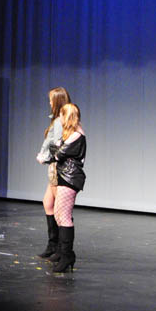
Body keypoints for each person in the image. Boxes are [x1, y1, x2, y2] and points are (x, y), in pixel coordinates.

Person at [49, 103, 86, 273]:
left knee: (63, 216)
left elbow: (58, 153)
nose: (60, 119)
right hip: (64, 175)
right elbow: (55, 150)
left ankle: (67, 255)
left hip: (70, 177)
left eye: (63, 116)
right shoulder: (71, 134)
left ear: (67, 116)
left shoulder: (77, 135)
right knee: (58, 214)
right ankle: (62, 253)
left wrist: (56, 149)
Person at [35, 87, 72, 260]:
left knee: (59, 209)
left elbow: (57, 144)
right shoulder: (56, 120)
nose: (49, 103)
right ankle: (53, 244)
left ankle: (61, 250)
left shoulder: (59, 122)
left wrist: (44, 157)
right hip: (53, 167)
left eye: (51, 100)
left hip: (57, 167)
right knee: (48, 203)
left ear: (57, 101)